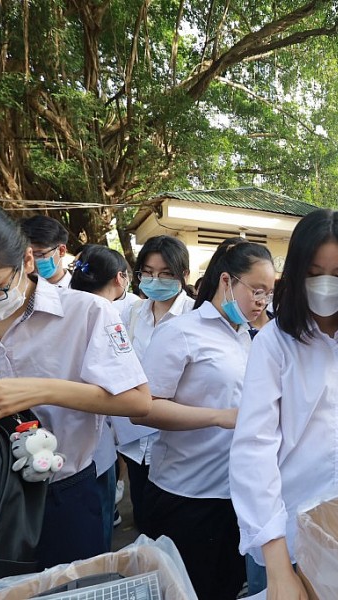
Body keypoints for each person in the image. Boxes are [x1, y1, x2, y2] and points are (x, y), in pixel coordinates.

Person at [0, 194, 150, 570]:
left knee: (72, 588)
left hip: (64, 493)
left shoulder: (86, 313)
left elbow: (137, 402)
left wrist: (40, 389)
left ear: (27, 260)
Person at [229, 210, 338, 599]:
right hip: (285, 533)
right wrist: (278, 566)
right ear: (296, 274)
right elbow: (253, 452)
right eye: (315, 272)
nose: (327, 285)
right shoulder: (275, 343)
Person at [131, 238, 274, 599]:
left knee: (224, 586)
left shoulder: (247, 336)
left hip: (235, 492)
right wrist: (218, 417)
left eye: (269, 293)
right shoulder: (182, 331)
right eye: (256, 290)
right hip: (187, 494)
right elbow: (143, 409)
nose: (262, 301)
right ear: (227, 281)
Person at [115, 235, 196, 532]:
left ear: (183, 275)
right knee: (145, 517)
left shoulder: (197, 315)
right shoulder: (132, 312)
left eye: (165, 274)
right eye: (147, 273)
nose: (155, 280)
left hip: (178, 440)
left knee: (177, 520)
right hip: (135, 440)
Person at [68, 244, 132, 550]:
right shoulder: (102, 310)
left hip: (57, 447)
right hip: (90, 449)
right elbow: (132, 394)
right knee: (95, 538)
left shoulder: (65, 302)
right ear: (120, 278)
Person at [20, 215, 73, 287]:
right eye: (24, 255)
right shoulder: (18, 290)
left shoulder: (80, 292)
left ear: (61, 251)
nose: (30, 261)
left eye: (38, 254)